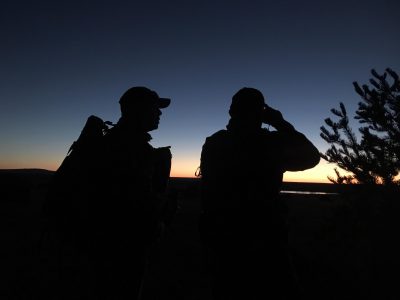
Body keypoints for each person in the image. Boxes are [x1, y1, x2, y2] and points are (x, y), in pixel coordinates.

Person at [39, 86, 173, 300]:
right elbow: (125, 206)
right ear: (137, 110)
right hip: (117, 249)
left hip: (106, 247)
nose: (159, 113)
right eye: (154, 108)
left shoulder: (118, 144)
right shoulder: (125, 149)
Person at [198, 87, 320, 300]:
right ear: (261, 112)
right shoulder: (270, 143)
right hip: (265, 234)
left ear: (231, 112)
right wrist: (280, 123)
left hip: (224, 233)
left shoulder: (215, 142)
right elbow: (311, 157)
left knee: (226, 287)